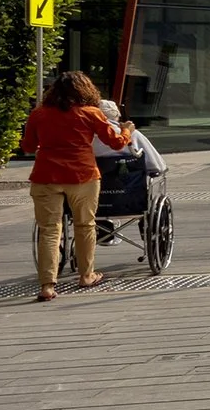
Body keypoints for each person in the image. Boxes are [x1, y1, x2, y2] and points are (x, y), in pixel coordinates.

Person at [20, 69, 134, 302]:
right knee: (85, 225)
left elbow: (28, 147)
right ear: (85, 90)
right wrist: (127, 131)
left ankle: (47, 286)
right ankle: (86, 275)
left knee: (50, 230)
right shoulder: (91, 113)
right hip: (82, 176)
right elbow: (115, 143)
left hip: (46, 176)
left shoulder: (38, 114)